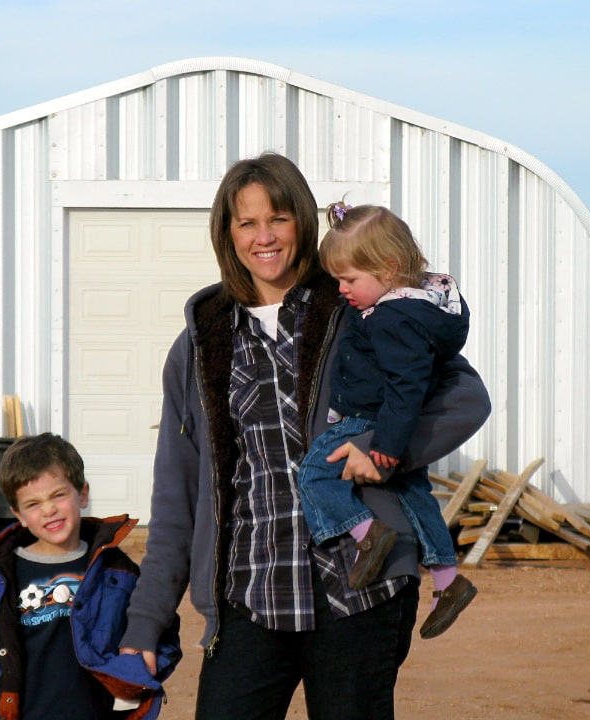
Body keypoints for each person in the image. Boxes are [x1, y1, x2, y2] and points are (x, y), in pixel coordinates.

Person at [118, 152, 491, 719]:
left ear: (303, 224)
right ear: (227, 233)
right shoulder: (199, 344)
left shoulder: (358, 310)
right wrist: (145, 621)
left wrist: (386, 453)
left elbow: (465, 398)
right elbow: (176, 496)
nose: (263, 237)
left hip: (358, 592)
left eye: (279, 219)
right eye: (247, 223)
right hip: (250, 591)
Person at [297, 202, 477, 640]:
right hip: (385, 427)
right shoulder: (417, 308)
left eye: (350, 279)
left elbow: (406, 387)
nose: (341, 289)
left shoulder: (393, 318)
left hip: (368, 423)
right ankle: (448, 579)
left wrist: (384, 449)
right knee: (416, 494)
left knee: (315, 476)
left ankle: (366, 534)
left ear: (390, 268)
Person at [0, 432, 181, 720]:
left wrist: (134, 676)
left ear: (82, 493)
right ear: (18, 514)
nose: (49, 510)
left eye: (58, 495)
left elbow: (159, 630)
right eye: (33, 504)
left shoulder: (119, 574)